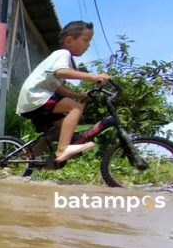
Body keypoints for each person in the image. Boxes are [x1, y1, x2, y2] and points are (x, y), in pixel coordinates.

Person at [17, 21, 110, 163]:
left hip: (33, 100)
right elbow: (62, 72)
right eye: (86, 40)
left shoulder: (60, 59)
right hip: (36, 97)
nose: (88, 45)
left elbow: (59, 89)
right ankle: (63, 149)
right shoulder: (63, 54)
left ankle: (33, 159)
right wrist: (93, 77)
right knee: (75, 107)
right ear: (69, 40)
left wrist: (81, 95)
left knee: (58, 130)